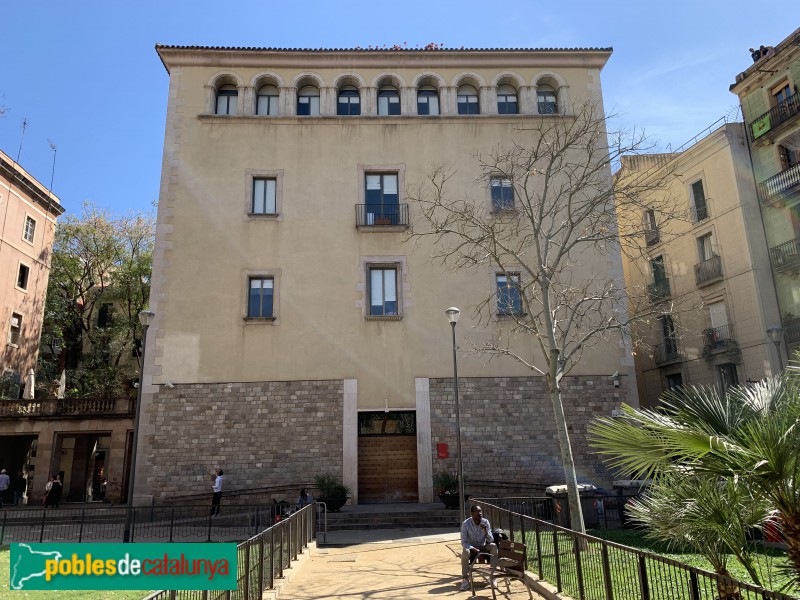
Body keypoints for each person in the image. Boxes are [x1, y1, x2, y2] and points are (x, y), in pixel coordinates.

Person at [459, 505, 498, 591]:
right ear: (472, 513)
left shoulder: (485, 522)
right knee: (465, 551)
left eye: (480, 511)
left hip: (483, 546)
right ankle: (465, 579)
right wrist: (473, 548)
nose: (480, 513)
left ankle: (492, 577)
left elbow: (491, 540)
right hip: (471, 548)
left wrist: (485, 531)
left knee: (493, 546)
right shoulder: (466, 524)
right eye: (477, 511)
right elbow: (464, 542)